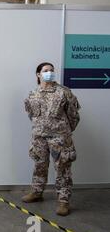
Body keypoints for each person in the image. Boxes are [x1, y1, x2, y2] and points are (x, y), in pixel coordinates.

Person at [22, 62, 81, 217]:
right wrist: (41, 128)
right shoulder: (32, 94)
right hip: (39, 136)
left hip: (60, 137)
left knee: (62, 167)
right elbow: (31, 115)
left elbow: (74, 116)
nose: (49, 73)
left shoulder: (64, 92)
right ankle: (37, 192)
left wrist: (64, 131)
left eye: (52, 70)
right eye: (46, 70)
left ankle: (63, 200)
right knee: (39, 164)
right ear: (38, 74)